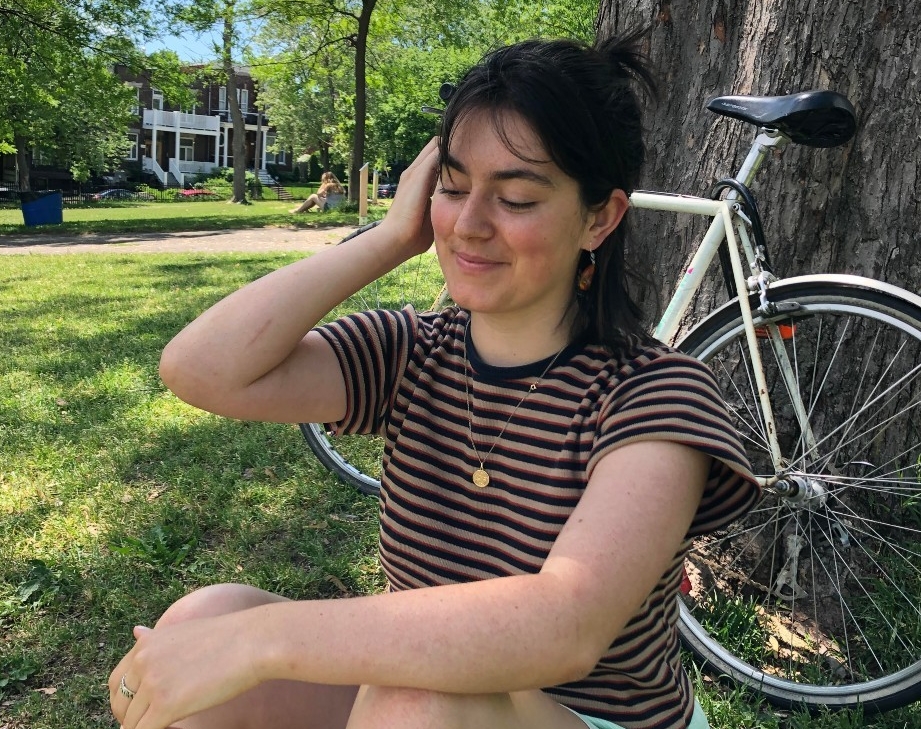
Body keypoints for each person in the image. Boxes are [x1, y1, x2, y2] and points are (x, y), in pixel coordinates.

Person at [109, 31, 759, 729]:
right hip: (428, 705)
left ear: (598, 217)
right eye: (452, 187)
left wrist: (264, 642)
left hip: (592, 719)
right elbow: (200, 370)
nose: (468, 225)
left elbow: (563, 626)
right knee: (205, 616)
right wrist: (390, 238)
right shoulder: (411, 352)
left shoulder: (657, 396)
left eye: (514, 198)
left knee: (411, 700)